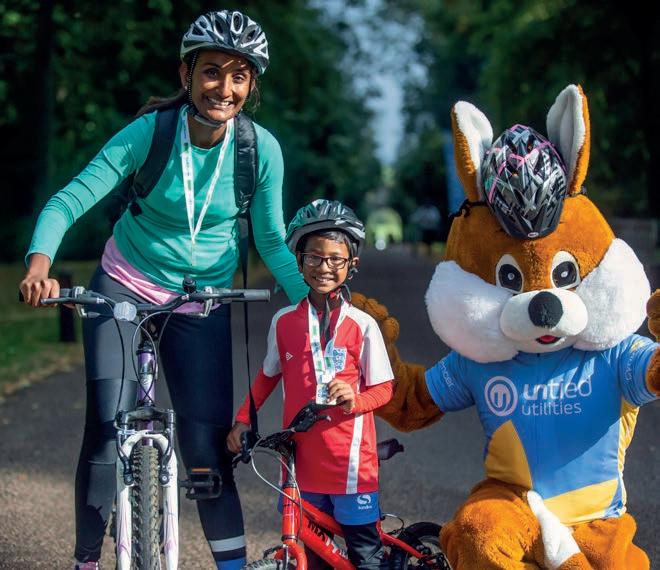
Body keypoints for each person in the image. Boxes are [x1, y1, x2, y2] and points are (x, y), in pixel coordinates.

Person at [19, 10, 307, 570]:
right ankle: (86, 561)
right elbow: (68, 200)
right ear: (186, 75)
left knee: (207, 450)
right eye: (212, 71)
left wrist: (314, 305)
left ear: (251, 86)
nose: (224, 88)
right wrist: (39, 265)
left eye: (239, 76)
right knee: (107, 433)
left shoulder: (258, 150)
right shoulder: (150, 134)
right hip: (124, 287)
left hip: (203, 301)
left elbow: (272, 241)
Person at [227, 199, 395, 570]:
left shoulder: (363, 325)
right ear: (299, 261)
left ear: (351, 264)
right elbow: (267, 377)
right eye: (314, 257)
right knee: (316, 558)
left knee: (365, 558)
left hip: (351, 466)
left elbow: (384, 390)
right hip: (301, 464)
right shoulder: (284, 322)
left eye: (335, 259)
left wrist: (354, 399)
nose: (324, 267)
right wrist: (243, 420)